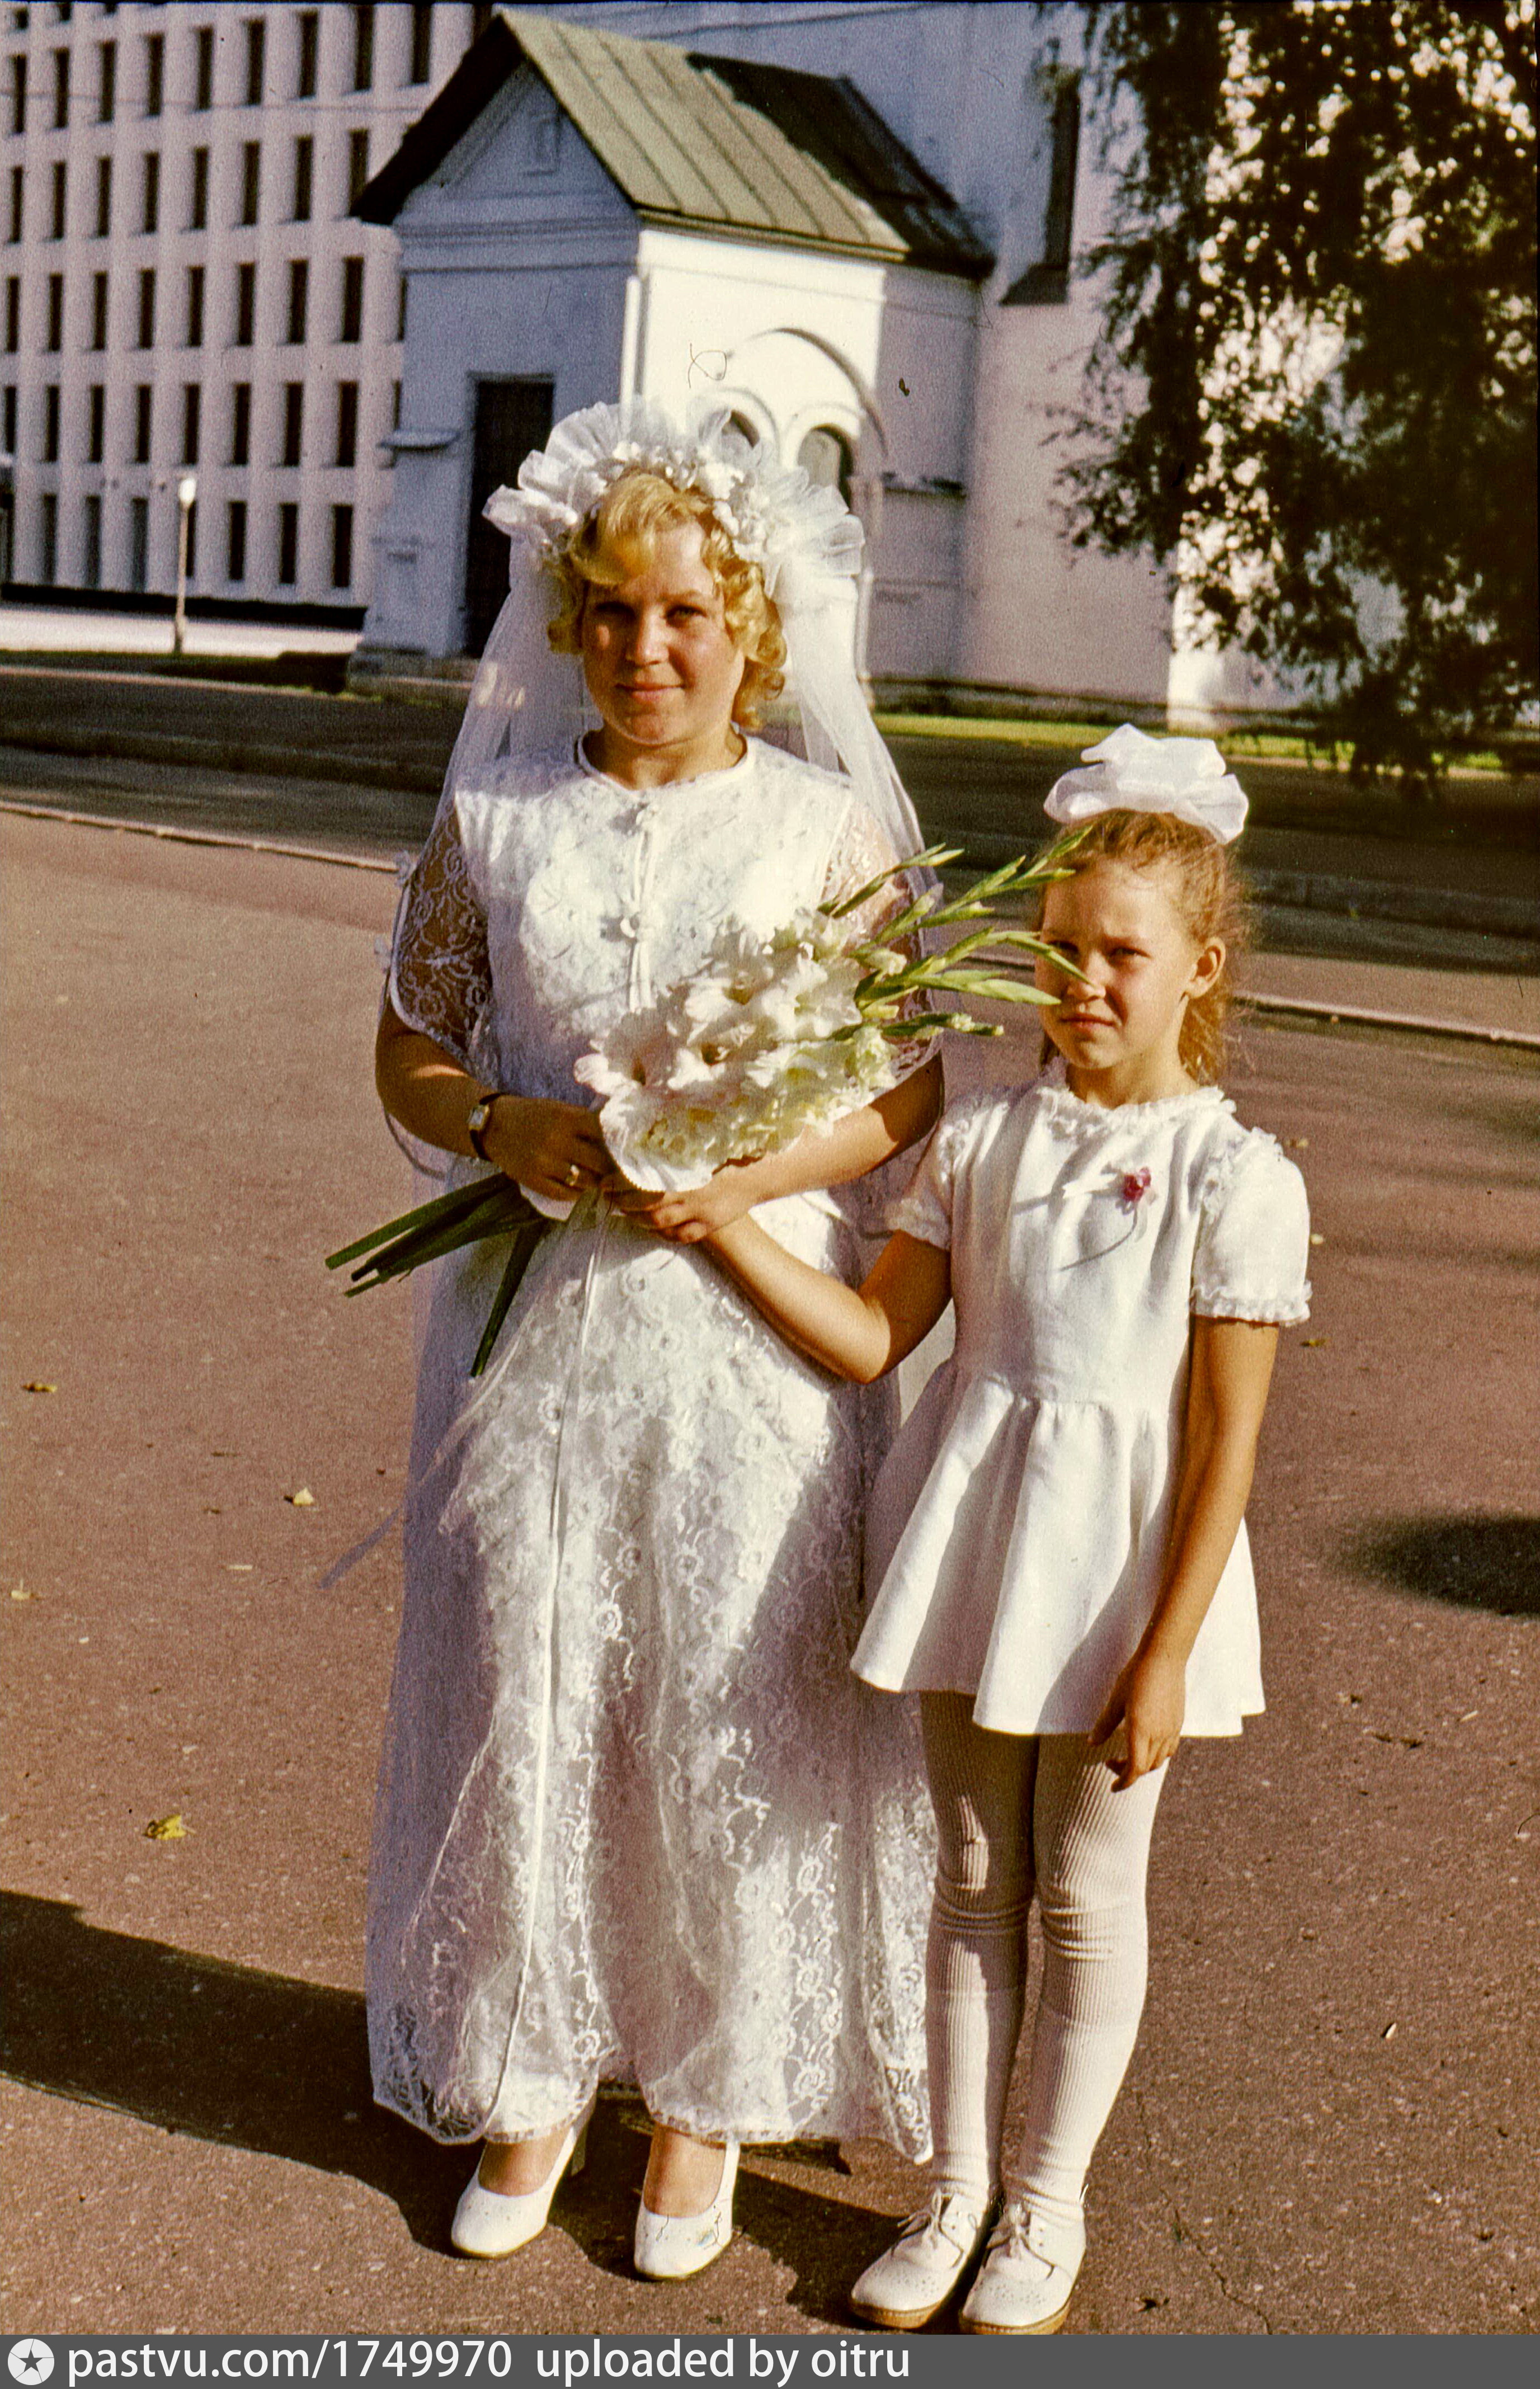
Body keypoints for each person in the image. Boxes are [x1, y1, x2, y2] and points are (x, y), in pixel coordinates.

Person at [365, 402, 941, 2282]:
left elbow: (904, 1092)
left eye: (686, 611)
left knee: (720, 1695)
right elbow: (410, 1046)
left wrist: (731, 1177)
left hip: (737, 1332)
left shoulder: (821, 832)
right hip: (532, 1324)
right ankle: (531, 2063)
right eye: (611, 610)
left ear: (749, 626)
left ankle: (708, 2087)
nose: (645, 646)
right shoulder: (496, 821)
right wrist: (496, 1124)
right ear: (567, 622)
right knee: (528, 1677)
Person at [679, 727, 1312, 2331]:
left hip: (1123, 1575)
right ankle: (955, 2191)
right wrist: (723, 1214)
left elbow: (1225, 1441)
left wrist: (1167, 1652)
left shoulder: (1231, 1176)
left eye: (1121, 954)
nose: (1081, 981)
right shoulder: (979, 1142)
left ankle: (1046, 2206)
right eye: (1059, 947)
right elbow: (871, 1340)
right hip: (977, 1544)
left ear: (1198, 969)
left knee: (1087, 1894)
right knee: (970, 1874)